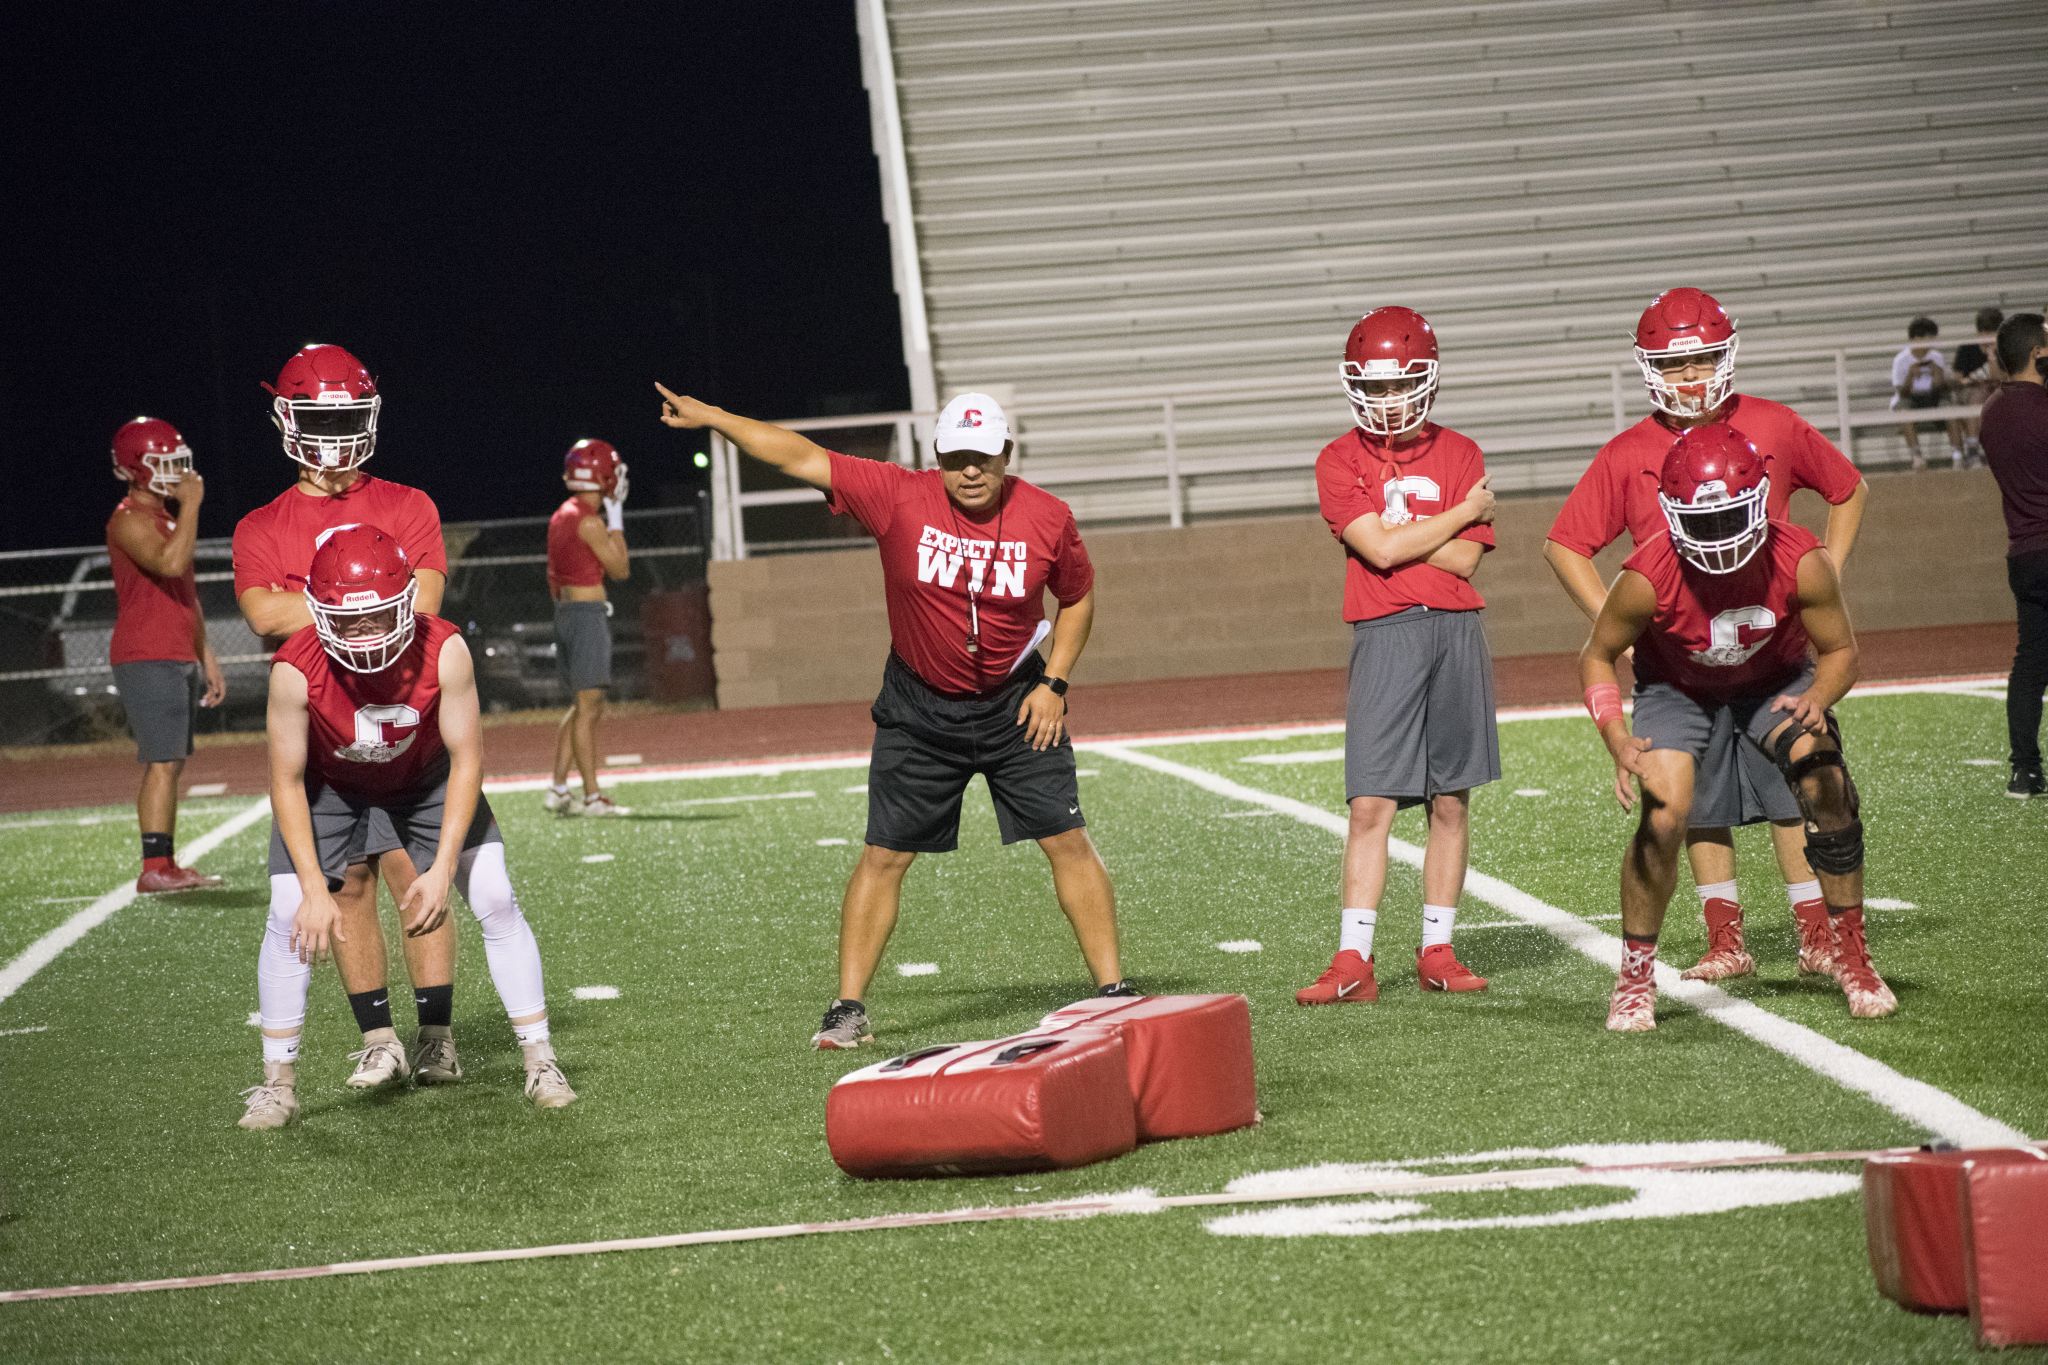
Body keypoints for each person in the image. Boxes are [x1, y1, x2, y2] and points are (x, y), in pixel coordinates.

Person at [653, 382, 1132, 1049]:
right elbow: (796, 455)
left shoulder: (1048, 516)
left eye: (984, 457)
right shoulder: (896, 494)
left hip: (1018, 702)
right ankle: (847, 1008)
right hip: (918, 707)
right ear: (937, 454)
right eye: (958, 456)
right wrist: (714, 418)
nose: (971, 470)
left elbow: (1076, 599)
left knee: (1067, 838)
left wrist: (1055, 681)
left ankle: (1113, 993)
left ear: (1007, 454)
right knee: (883, 855)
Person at [1545, 288, 1868, 984]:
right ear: (1648, 367)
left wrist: (1827, 573)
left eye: (1703, 360)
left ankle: (1817, 932)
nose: (1691, 377)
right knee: (1696, 802)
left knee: (1796, 789)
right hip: (1681, 655)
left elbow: (1847, 488)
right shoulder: (1630, 449)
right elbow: (1565, 544)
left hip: (1767, 646)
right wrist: (1618, 623)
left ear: (1727, 356)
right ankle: (1727, 938)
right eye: (1675, 363)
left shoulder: (1772, 425)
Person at [239, 525, 574, 1129]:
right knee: (289, 909)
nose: (364, 633)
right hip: (332, 785)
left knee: (494, 893)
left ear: (406, 604)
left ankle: (540, 1059)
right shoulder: (294, 668)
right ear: (318, 612)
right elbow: (286, 780)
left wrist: (443, 868)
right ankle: (277, 1084)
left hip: (425, 778)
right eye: (347, 620)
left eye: (377, 617)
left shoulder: (444, 648)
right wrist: (316, 889)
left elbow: (467, 758)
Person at [1580, 421, 1895, 1031]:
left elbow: (1841, 653)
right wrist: (1616, 737)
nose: (1719, 534)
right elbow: (1595, 655)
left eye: (1731, 516)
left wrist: (1820, 699)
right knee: (1665, 811)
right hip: (1679, 690)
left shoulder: (1801, 559)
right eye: (1702, 520)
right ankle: (1636, 974)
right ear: (1669, 514)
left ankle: (1852, 954)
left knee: (1825, 779)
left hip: (1771, 682)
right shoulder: (1645, 576)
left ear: (1760, 503)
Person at [231, 343, 461, 1088]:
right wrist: (362, 599)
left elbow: (423, 603)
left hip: (402, 713)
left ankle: (436, 1034)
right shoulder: (261, 524)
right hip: (323, 725)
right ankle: (379, 1039)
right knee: (345, 884)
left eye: (346, 413)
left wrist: (321, 603)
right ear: (286, 419)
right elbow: (262, 614)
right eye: (319, 414)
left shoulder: (406, 502)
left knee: (413, 872)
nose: (333, 430)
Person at [1295, 306, 1500, 1007]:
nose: (1387, 400)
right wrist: (1454, 515)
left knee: (1450, 799)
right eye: (1374, 387)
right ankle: (1353, 957)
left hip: (1455, 629)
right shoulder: (1336, 458)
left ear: (1429, 379)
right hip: (1384, 629)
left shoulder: (1461, 450)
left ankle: (1437, 947)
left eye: (1400, 384)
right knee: (1371, 801)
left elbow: (1466, 562)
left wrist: (1404, 530)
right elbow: (1379, 550)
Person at [106, 417, 228, 893]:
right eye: (165, 464)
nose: (177, 473)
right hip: (146, 653)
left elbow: (186, 593)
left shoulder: (164, 519)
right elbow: (171, 562)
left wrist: (208, 655)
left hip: (174, 651)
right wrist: (194, 505)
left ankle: (166, 862)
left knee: (171, 761)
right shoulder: (129, 519)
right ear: (136, 470)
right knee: (162, 760)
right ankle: (154, 867)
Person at [1978, 312, 2048, 798]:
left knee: (2029, 664)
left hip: (2024, 552)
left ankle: (2024, 769)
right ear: (2038, 354)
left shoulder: (1992, 411)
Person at [543, 438, 633, 817]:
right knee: (588, 705)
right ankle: (592, 797)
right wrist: (616, 517)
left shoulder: (562, 513)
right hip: (585, 615)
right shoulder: (590, 521)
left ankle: (558, 788)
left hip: (566, 614)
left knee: (583, 706)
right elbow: (621, 570)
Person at [1891, 315, 1964, 470]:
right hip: (1911, 398)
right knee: (1903, 410)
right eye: (1929, 338)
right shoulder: (1901, 360)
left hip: (1934, 397)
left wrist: (1938, 377)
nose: (1931, 343)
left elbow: (1944, 389)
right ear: (1917, 338)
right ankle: (1916, 456)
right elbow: (1901, 393)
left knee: (1950, 409)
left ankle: (1958, 456)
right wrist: (1910, 376)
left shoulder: (1936, 357)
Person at [1953, 306, 2005, 467]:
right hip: (1971, 391)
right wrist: (1973, 381)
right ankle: (1973, 451)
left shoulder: (2005, 348)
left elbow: (2001, 377)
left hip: (1998, 390)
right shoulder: (1967, 348)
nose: (1988, 336)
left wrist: (1992, 357)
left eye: (1993, 331)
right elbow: (1958, 379)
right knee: (1978, 396)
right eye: (1985, 331)